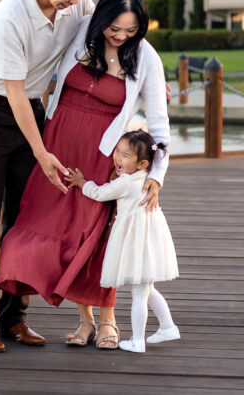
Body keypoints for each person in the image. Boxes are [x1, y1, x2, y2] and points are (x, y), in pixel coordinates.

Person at [0, 0, 169, 350]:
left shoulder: (146, 58)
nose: (121, 36)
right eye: (115, 29)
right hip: (57, 151)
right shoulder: (81, 29)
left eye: (131, 30)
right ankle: (85, 320)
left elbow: (159, 125)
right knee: (50, 229)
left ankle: (108, 320)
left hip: (103, 158)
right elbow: (35, 44)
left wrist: (155, 176)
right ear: (102, 19)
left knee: (95, 238)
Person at [0, 0, 101, 353]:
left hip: (31, 111)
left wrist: (150, 74)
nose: (76, 3)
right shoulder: (10, 15)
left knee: (26, 220)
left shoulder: (79, 0)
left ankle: (14, 318)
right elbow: (15, 93)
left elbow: (109, 36)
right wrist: (41, 152)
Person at [69, 129, 179, 353]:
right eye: (117, 151)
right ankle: (168, 326)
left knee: (140, 292)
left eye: (125, 155)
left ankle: (138, 340)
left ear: (142, 163)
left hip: (136, 240)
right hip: (150, 238)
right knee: (147, 288)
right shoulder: (146, 180)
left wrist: (81, 183)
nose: (118, 157)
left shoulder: (126, 182)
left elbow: (100, 193)